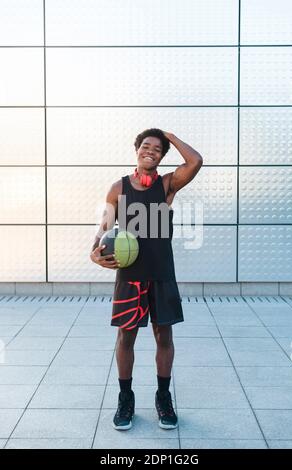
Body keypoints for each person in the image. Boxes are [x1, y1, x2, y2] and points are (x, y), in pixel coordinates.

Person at [90, 128, 202, 431]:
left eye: (157, 149)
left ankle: (163, 397)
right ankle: (125, 398)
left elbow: (195, 161)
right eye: (146, 146)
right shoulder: (118, 188)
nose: (150, 151)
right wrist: (93, 253)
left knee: (164, 337)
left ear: (162, 156)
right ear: (137, 149)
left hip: (162, 275)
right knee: (126, 337)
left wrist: (171, 136)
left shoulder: (167, 185)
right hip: (129, 277)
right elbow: (104, 228)